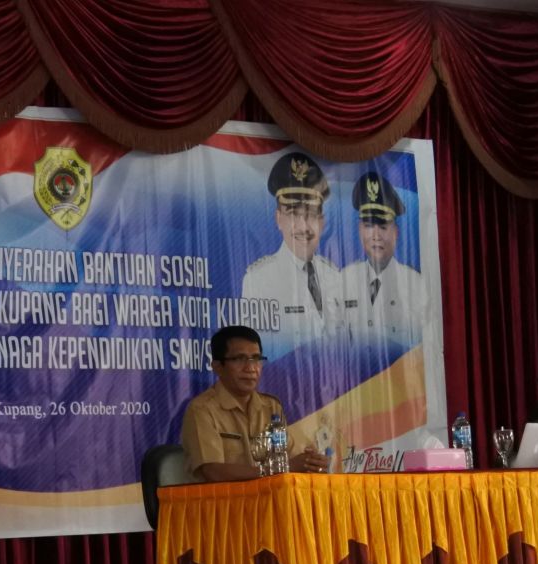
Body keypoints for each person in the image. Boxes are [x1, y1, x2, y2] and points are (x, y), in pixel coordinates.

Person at [180, 326, 330, 481]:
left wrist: (310, 461)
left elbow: (291, 454)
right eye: (239, 359)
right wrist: (281, 468)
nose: (251, 368)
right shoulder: (202, 409)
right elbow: (213, 471)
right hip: (222, 503)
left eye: (256, 359)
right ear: (218, 367)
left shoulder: (271, 407)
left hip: (268, 500)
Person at [241, 152, 342, 341]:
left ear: (322, 221)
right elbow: (255, 350)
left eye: (311, 214)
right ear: (279, 219)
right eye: (294, 213)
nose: (304, 227)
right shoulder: (259, 281)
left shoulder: (334, 276)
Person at [340, 171, 423, 344]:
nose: (376, 235)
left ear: (396, 233)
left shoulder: (415, 285)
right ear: (360, 230)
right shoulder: (343, 281)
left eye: (383, 226)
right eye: (369, 226)